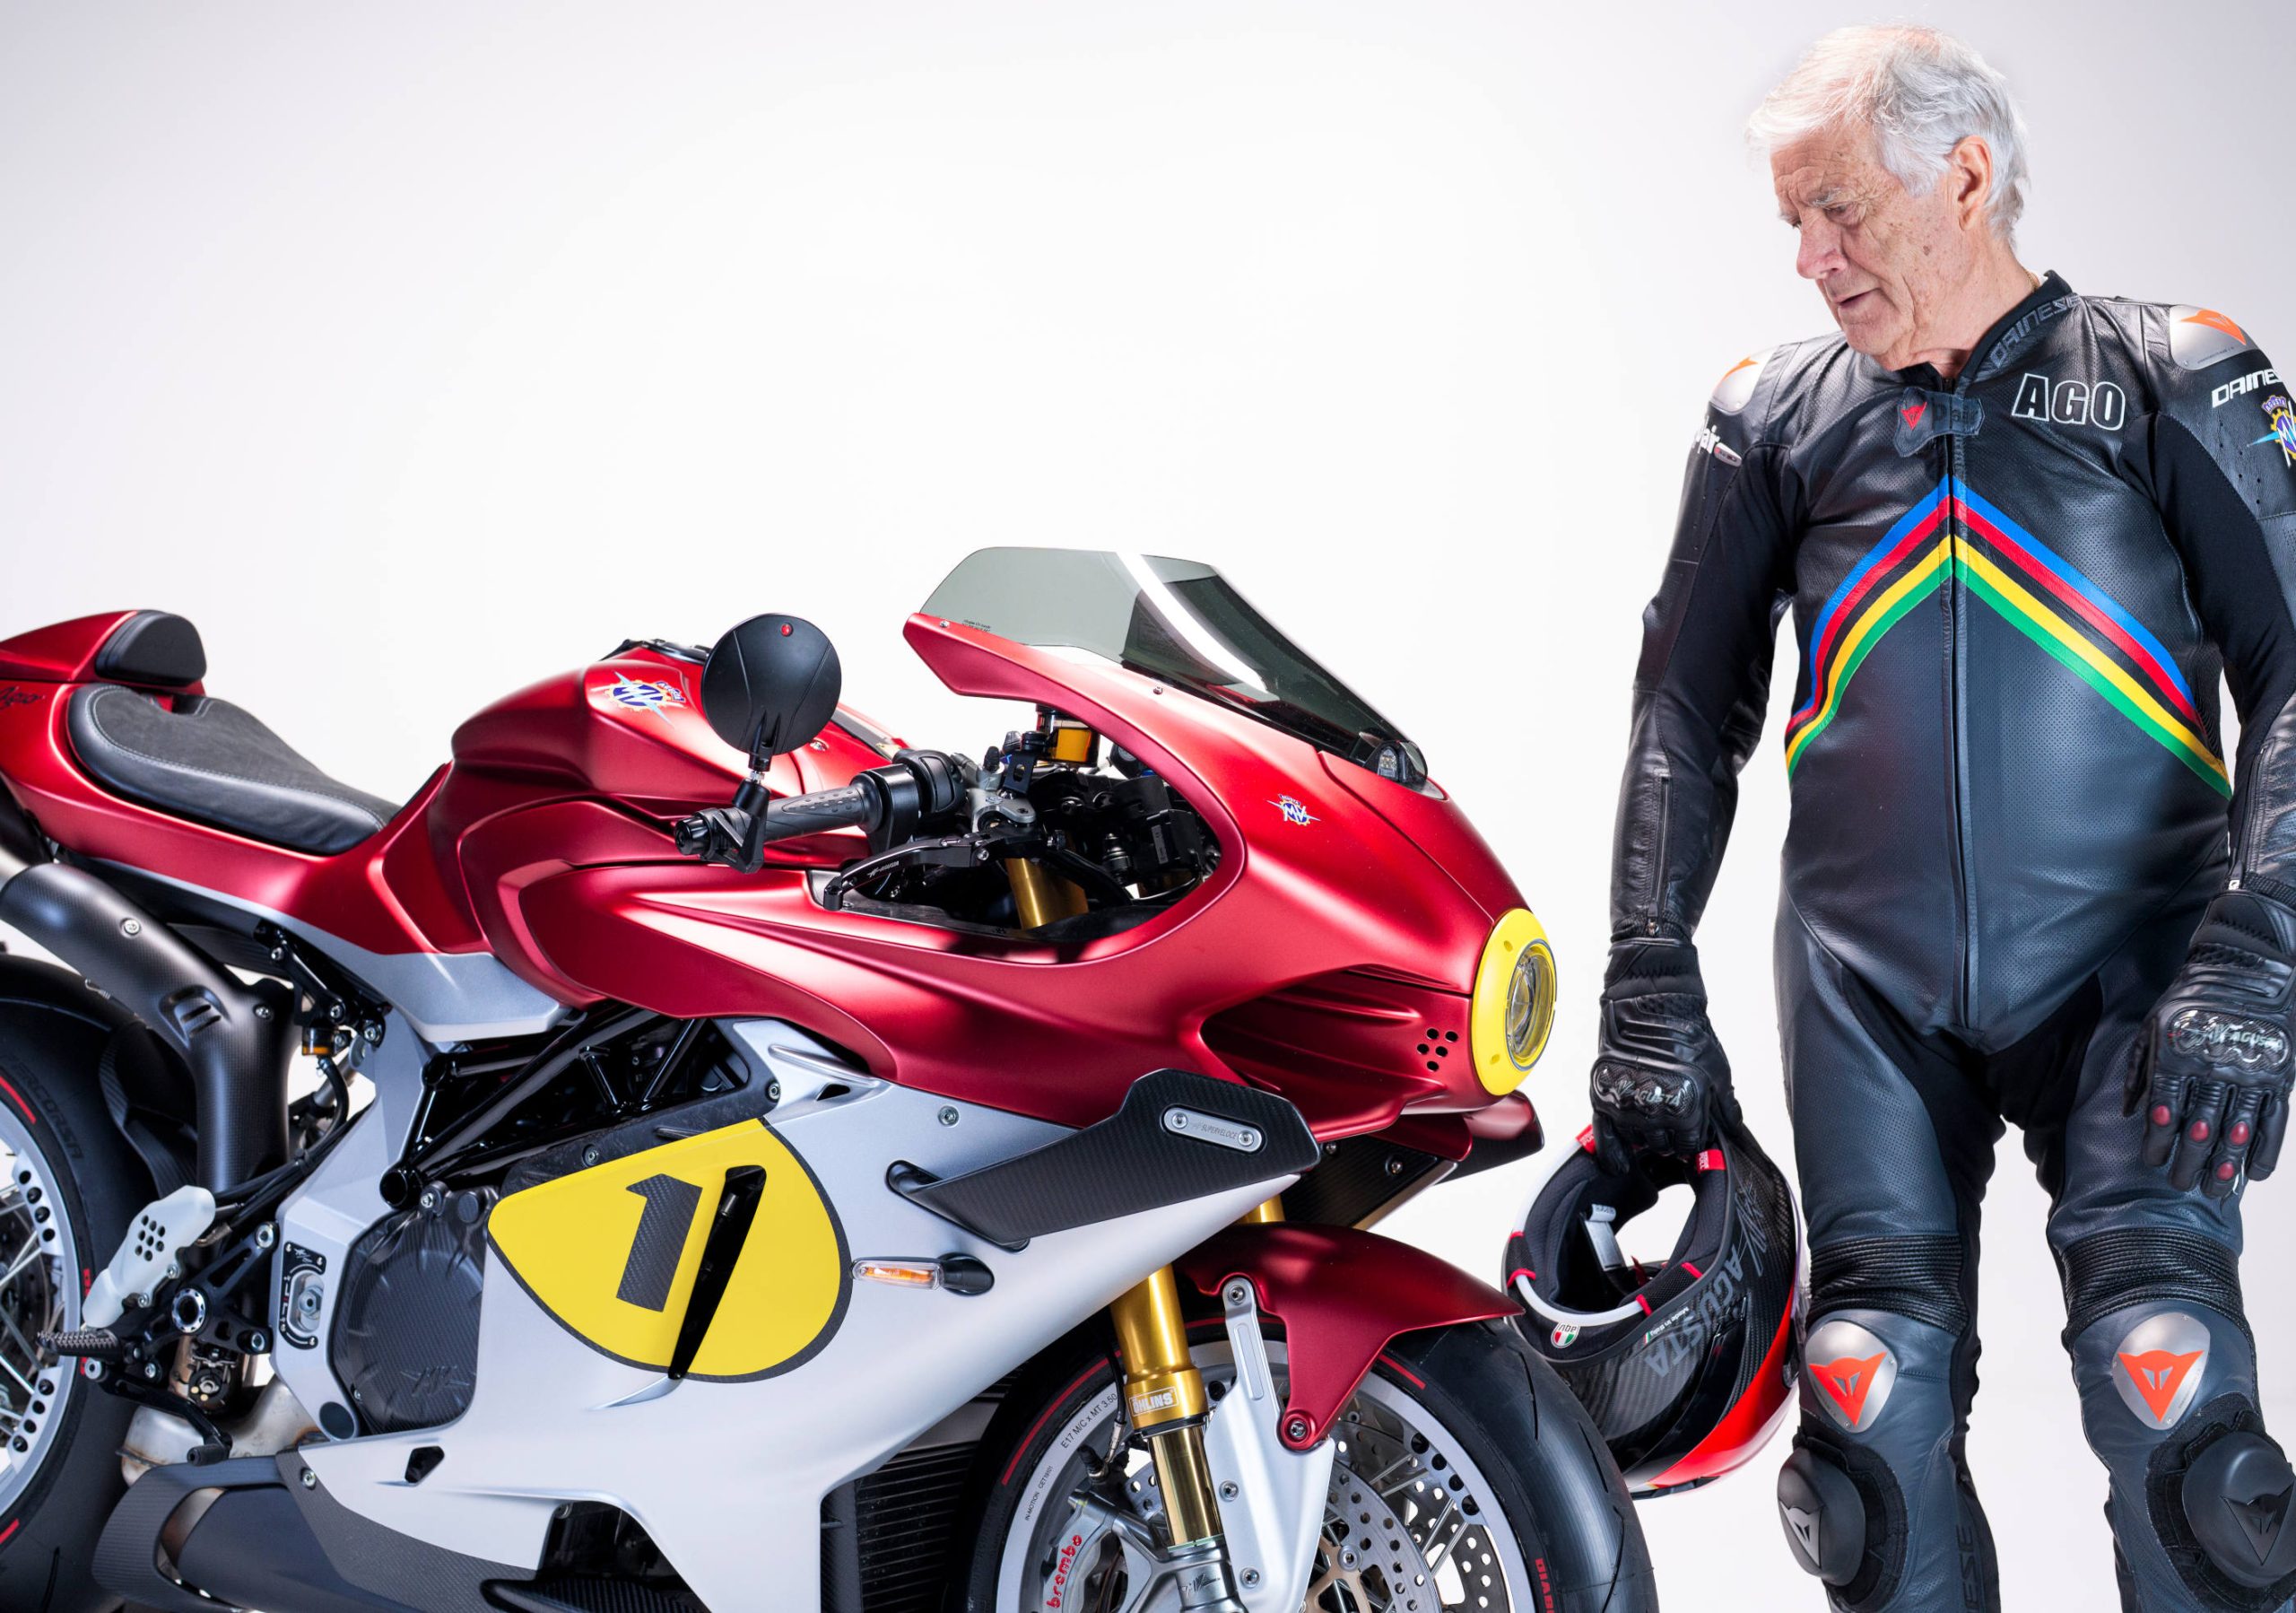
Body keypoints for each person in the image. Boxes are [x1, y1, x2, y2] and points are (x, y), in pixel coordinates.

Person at [1590, 24, 2296, 1613]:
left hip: (2136, 976)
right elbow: (1684, 710)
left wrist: (2262, 947)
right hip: (1864, 986)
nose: (1807, 257)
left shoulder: (2172, 374)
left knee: (2173, 1399)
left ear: (1965, 177)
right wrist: (1648, 969)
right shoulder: (1773, 418)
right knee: (1865, 1410)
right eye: (1792, 220)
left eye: (1836, 209)